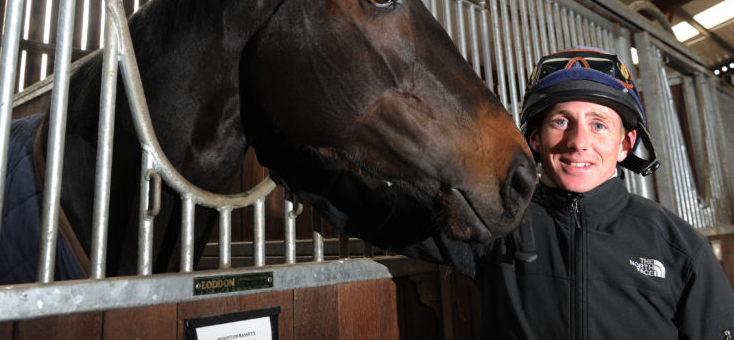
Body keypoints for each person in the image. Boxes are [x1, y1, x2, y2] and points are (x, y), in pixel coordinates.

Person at [253, 47, 734, 339]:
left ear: (625, 143)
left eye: (599, 124)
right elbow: (373, 210)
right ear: (535, 139)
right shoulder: (499, 220)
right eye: (559, 121)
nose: (577, 142)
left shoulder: (677, 246)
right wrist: (279, 144)